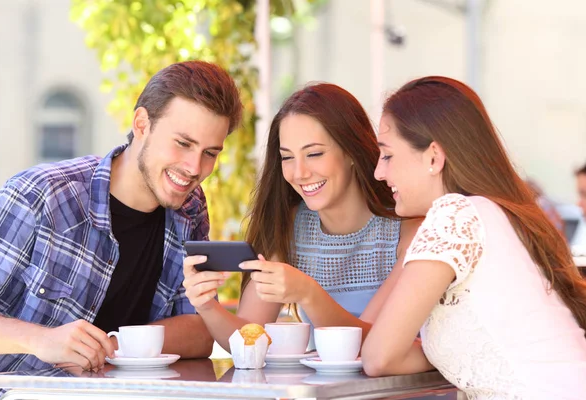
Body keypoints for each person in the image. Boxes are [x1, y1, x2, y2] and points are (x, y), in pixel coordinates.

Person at [0, 61, 242, 399]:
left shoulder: (189, 208)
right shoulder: (42, 196)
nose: (195, 168)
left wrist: (113, 345)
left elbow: (198, 332)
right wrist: (40, 340)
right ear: (141, 124)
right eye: (182, 143)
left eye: (209, 153)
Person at [362, 76, 586, 399]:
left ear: (433, 158)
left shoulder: (455, 215)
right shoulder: (498, 212)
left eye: (387, 155)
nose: (379, 173)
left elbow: (378, 356)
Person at [182, 83, 421, 352]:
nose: (299, 173)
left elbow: (371, 346)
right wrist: (207, 305)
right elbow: (249, 338)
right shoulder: (292, 227)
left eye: (314, 154)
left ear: (351, 151)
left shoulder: (408, 232)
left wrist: (308, 293)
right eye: (287, 158)